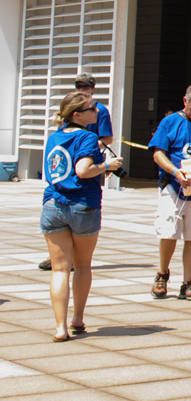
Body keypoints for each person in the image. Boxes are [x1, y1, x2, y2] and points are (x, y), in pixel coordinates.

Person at [42, 92, 122, 340]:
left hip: (53, 204)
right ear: (76, 114)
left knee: (60, 269)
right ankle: (77, 319)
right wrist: (108, 166)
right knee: (83, 264)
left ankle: (60, 327)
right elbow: (83, 170)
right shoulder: (87, 136)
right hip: (83, 205)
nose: (97, 112)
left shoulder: (53, 137)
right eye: (91, 109)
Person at [38, 74, 116, 273]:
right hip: (69, 191)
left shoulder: (99, 112)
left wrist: (92, 155)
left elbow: (107, 137)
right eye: (78, 86)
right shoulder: (71, 110)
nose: (81, 89)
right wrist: (103, 165)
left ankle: (64, 258)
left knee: (64, 269)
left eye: (85, 86)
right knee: (76, 267)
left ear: (93, 87)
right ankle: (62, 257)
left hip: (80, 174)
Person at [148, 84, 191, 302]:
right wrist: (175, 171)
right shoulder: (171, 122)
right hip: (173, 185)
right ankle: (162, 273)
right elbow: (158, 153)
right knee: (169, 231)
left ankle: (188, 282)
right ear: (185, 101)